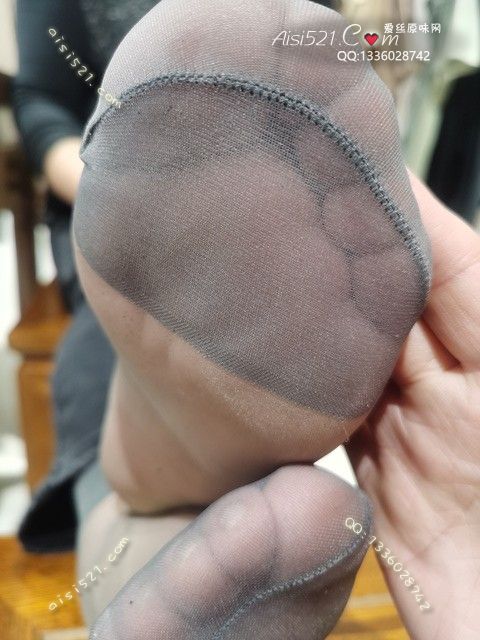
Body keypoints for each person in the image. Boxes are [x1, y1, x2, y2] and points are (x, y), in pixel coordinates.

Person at [70, 1, 479, 638]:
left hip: (141, 218)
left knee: (113, 495)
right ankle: (157, 474)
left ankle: (143, 480)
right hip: (124, 236)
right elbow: (40, 105)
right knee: (206, 513)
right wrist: (82, 172)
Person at [13, 0, 158, 552]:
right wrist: (107, 190)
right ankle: (106, 509)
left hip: (253, 199)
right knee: (120, 308)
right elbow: (42, 101)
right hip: (101, 193)